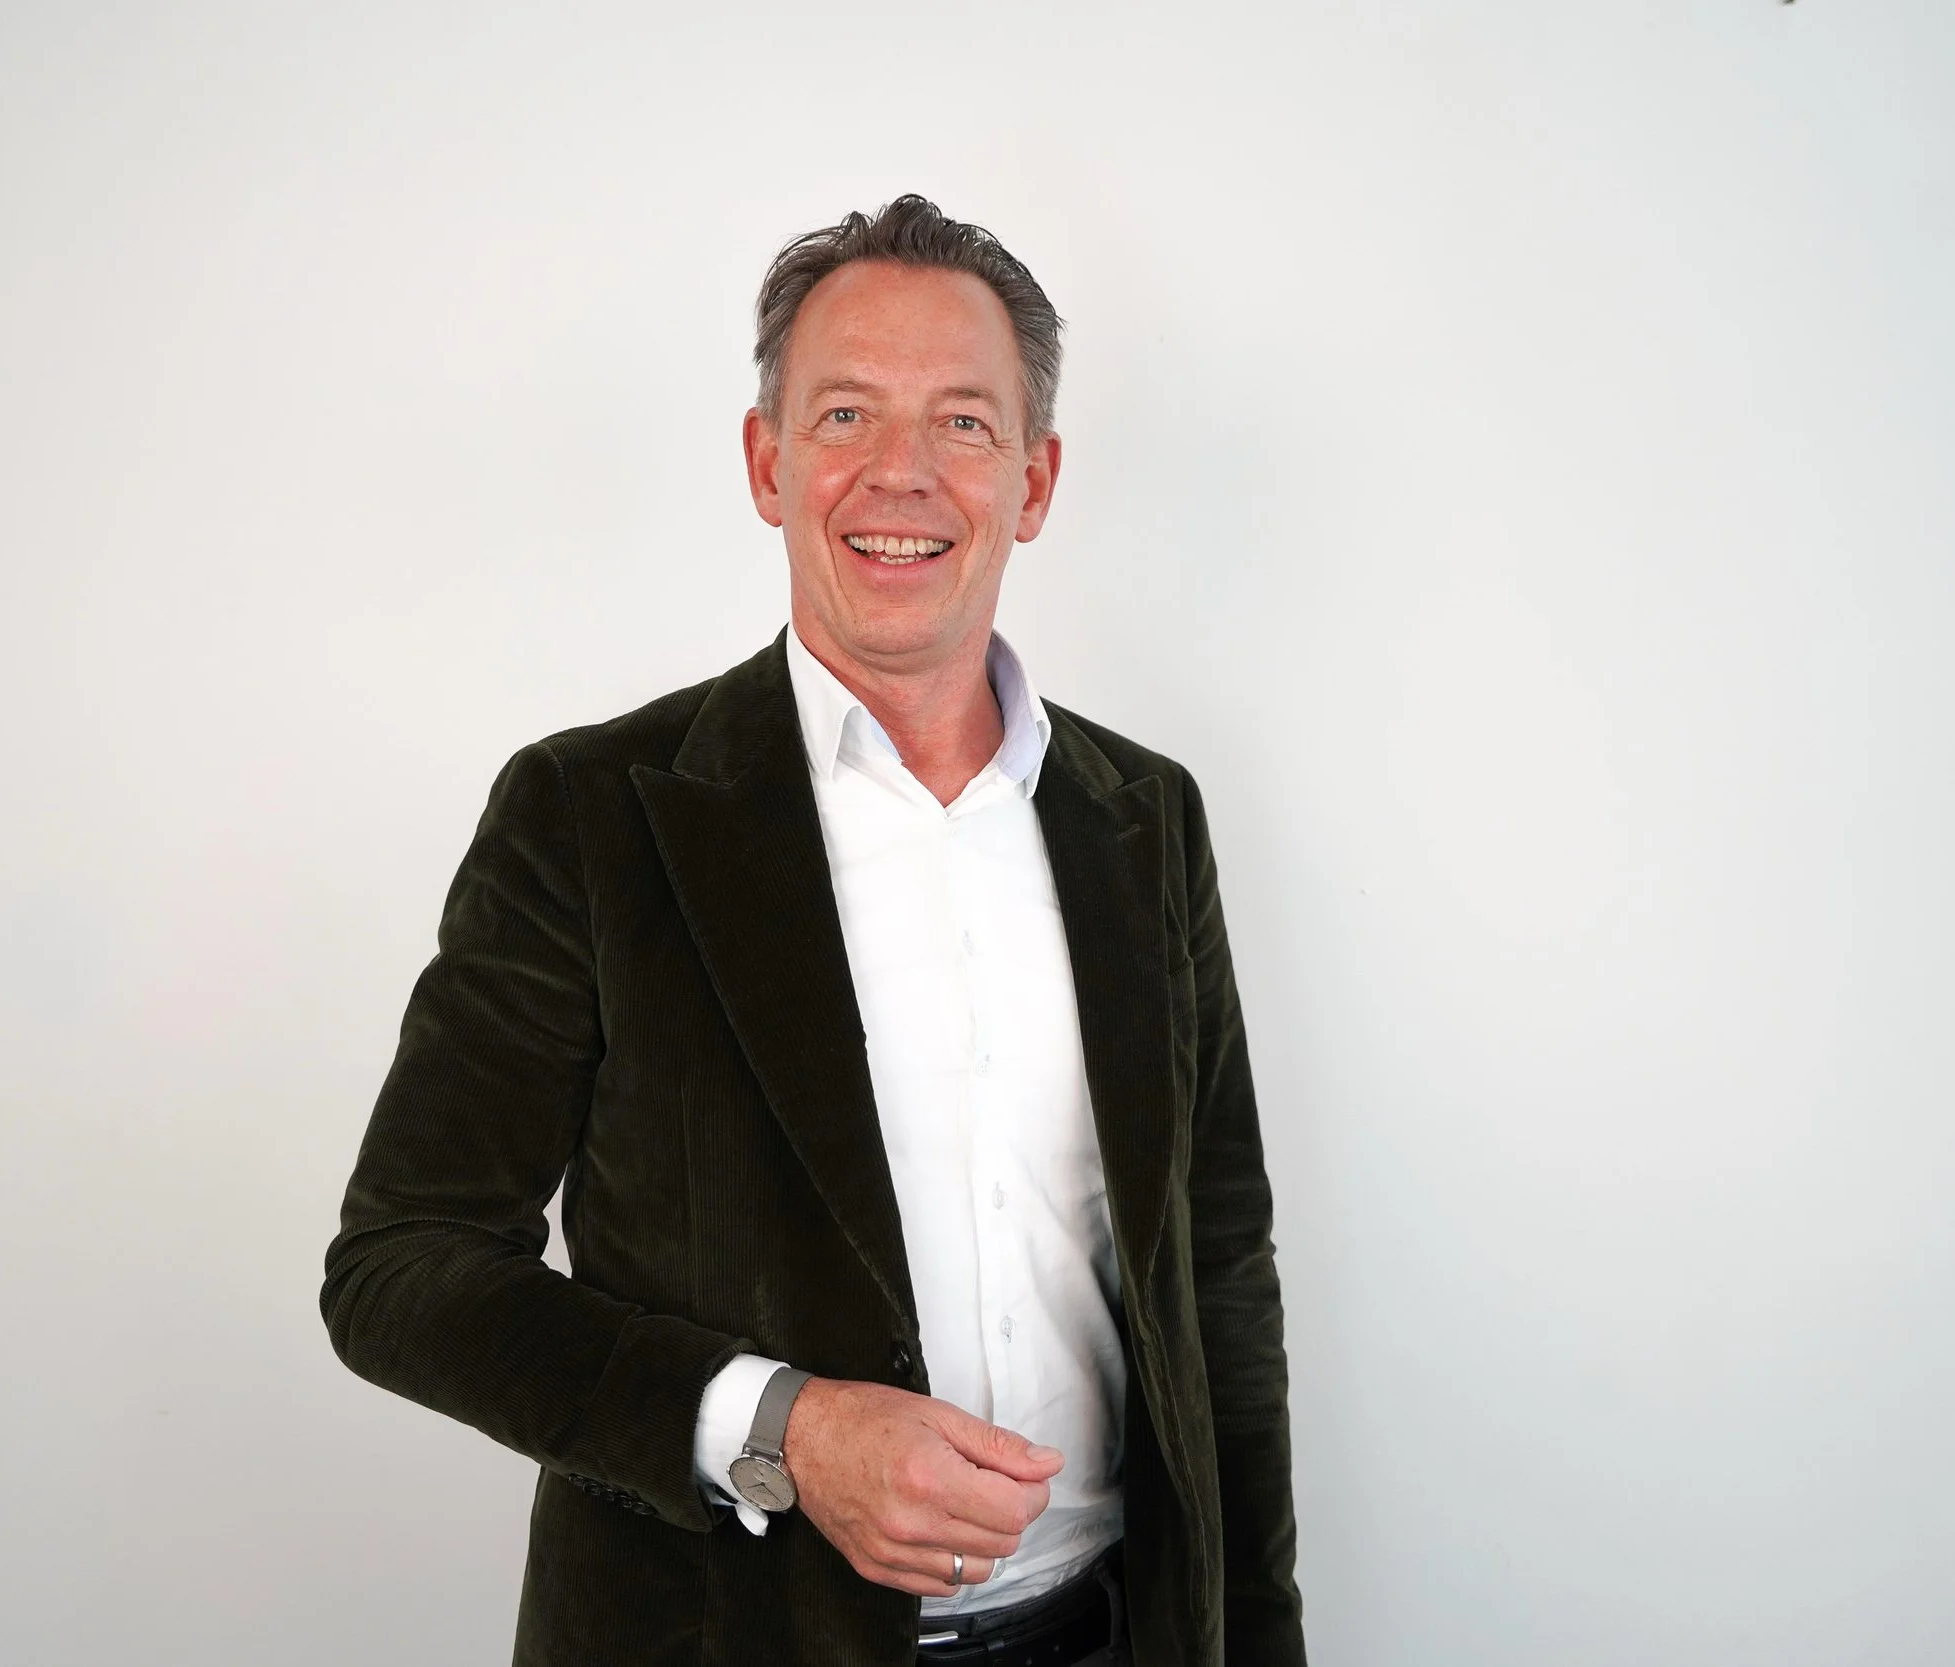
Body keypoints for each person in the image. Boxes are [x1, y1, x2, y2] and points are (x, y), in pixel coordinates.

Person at [322, 194, 1305, 1667]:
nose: (901, 471)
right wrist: (776, 1427)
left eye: (963, 423)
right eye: (846, 414)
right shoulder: (590, 816)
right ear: (767, 462)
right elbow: (401, 1266)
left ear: (1034, 480)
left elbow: (1218, 1279)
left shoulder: (1146, 820)